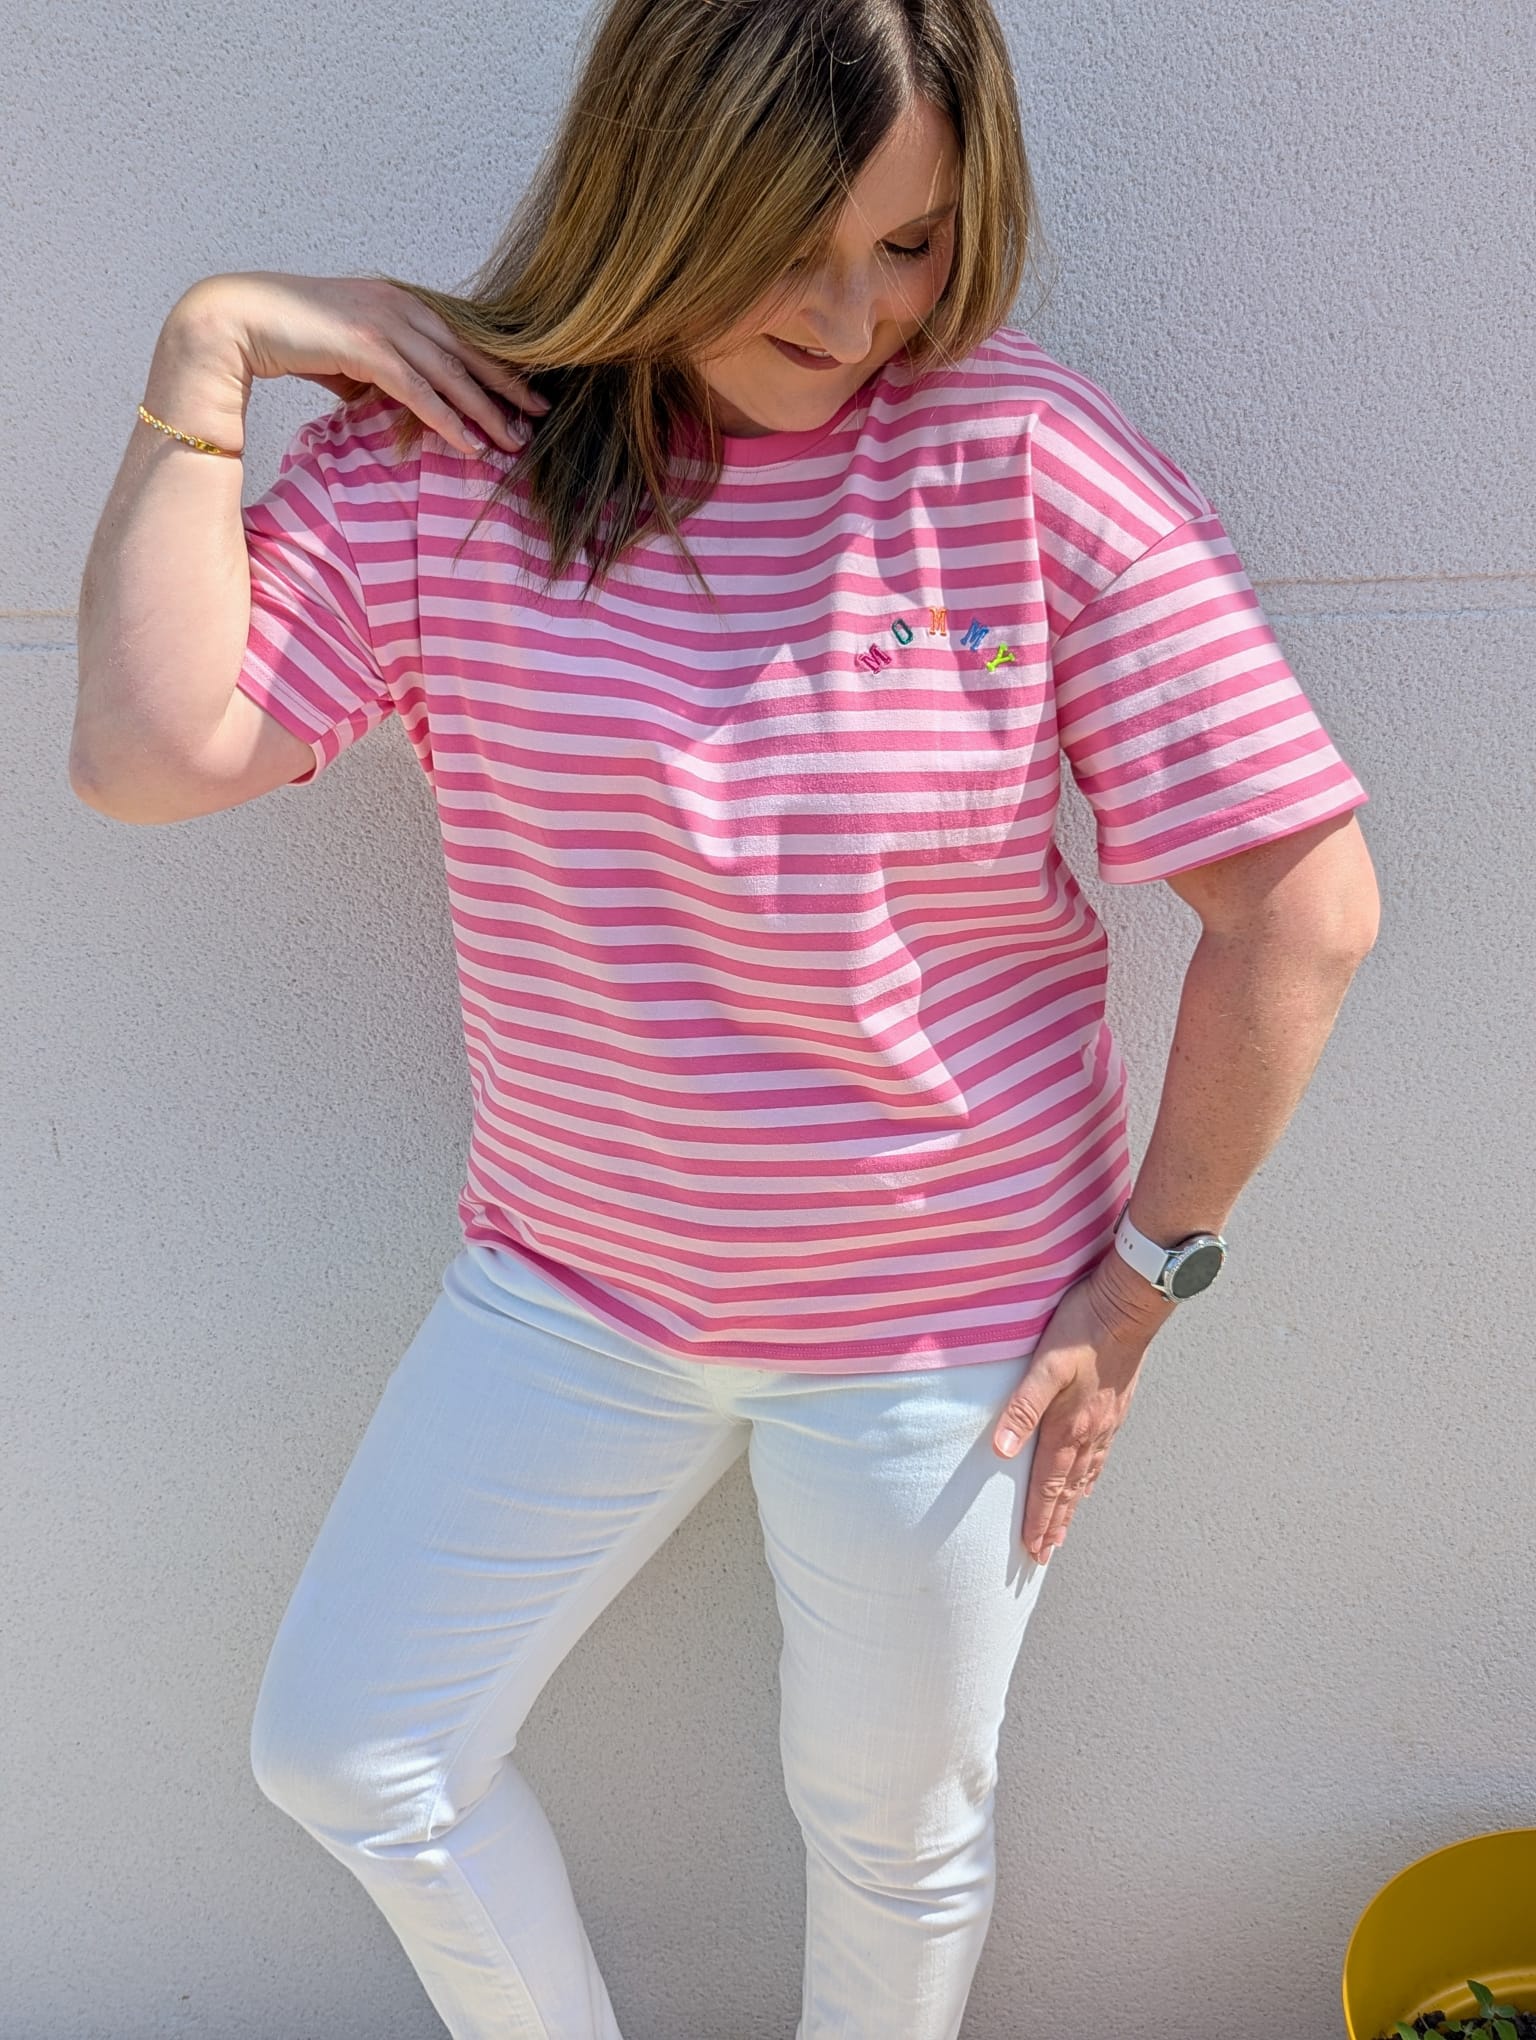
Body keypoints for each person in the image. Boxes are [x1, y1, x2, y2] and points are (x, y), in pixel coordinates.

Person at [71, 0, 1380, 2033]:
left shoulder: (1018, 454)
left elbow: (1301, 908)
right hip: (573, 1290)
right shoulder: (455, 462)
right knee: (355, 1748)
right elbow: (149, 756)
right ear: (659, 190)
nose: (856, 317)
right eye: (790, 246)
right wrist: (209, 352)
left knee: (893, 1826)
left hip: (948, 1327)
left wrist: (1139, 1286)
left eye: (910, 244)